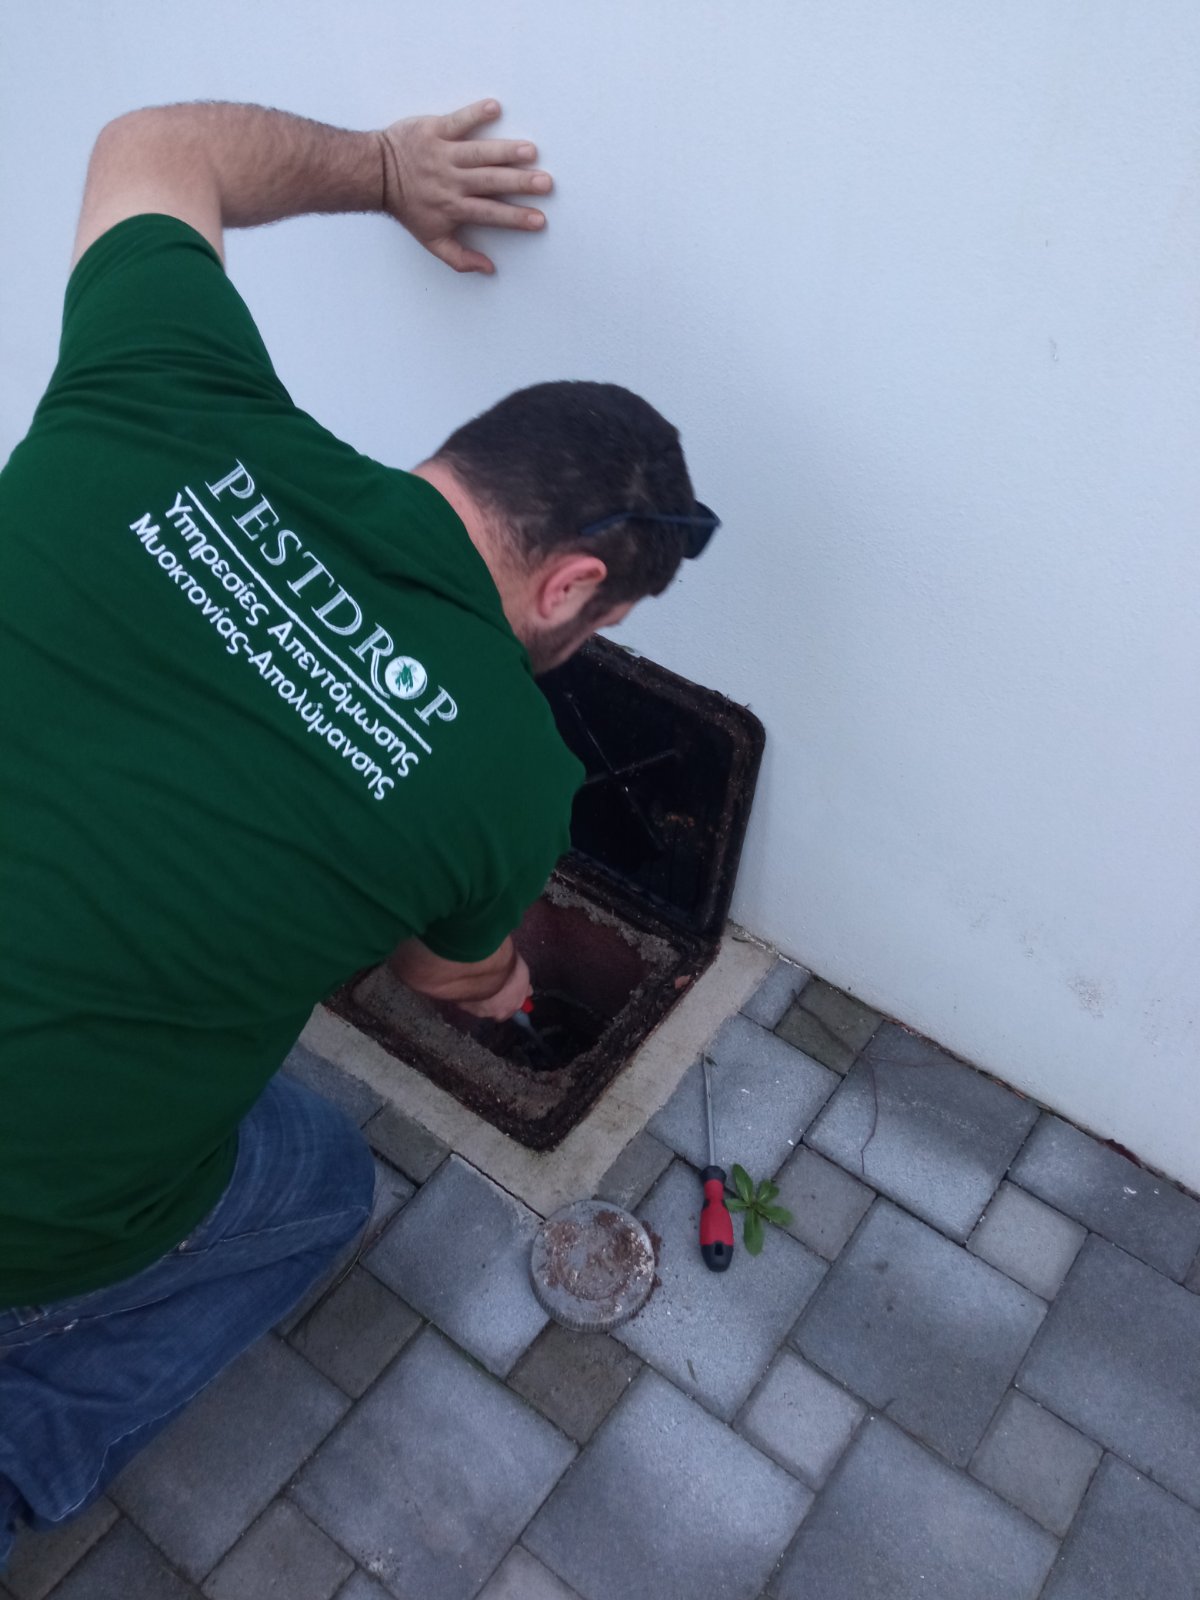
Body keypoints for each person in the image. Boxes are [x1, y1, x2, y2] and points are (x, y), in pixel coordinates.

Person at [0, 97, 718, 1561]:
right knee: (319, 1179)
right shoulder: (504, 773)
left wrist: (388, 171)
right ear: (574, 588)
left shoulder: (163, 381)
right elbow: (447, 975)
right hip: (31, 1221)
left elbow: (151, 148)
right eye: (605, 625)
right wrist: (503, 988)